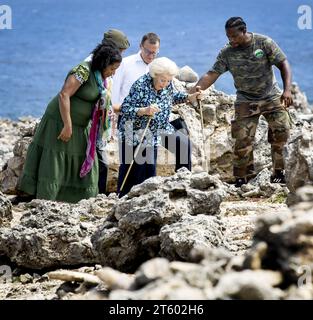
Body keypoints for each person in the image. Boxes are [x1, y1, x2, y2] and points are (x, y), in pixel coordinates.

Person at [190, 17, 293, 187]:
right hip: (245, 100)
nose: (231, 40)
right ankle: (243, 179)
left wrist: (287, 90)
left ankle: (278, 175)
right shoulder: (227, 52)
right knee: (242, 140)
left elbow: (283, 63)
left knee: (281, 135)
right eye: (228, 37)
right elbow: (212, 74)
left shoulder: (264, 43)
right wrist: (195, 90)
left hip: (271, 96)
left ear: (244, 31)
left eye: (234, 36)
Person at [19, 43, 122, 203]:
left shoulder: (99, 76)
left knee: (85, 160)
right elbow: (64, 95)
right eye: (112, 68)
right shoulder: (83, 71)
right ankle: (46, 200)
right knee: (55, 161)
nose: (113, 72)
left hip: (82, 126)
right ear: (103, 63)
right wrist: (68, 125)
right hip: (60, 121)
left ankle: (78, 200)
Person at [117, 57, 202, 197]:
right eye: (163, 80)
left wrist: (190, 97)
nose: (166, 83)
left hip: (160, 127)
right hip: (137, 130)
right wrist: (144, 110)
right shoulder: (140, 85)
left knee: (183, 144)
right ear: (154, 75)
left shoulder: (167, 84)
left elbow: (172, 96)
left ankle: (182, 184)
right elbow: (125, 108)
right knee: (144, 167)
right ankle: (130, 197)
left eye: (169, 80)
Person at [112, 32, 192, 172]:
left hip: (158, 125)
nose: (151, 55)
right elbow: (114, 95)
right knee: (130, 168)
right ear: (140, 46)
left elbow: (169, 95)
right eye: (148, 51)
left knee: (183, 145)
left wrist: (189, 97)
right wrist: (114, 120)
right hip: (132, 123)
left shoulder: (161, 68)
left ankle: (183, 181)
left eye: (154, 53)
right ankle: (124, 193)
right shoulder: (125, 64)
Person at [85, 29, 130, 194]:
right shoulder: (91, 64)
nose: (121, 55)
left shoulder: (106, 64)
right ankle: (95, 196)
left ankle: (96, 195)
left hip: (100, 122)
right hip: (90, 122)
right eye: (120, 51)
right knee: (100, 163)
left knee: (100, 162)